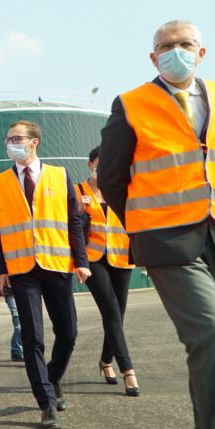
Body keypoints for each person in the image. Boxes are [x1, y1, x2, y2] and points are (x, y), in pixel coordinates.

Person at [98, 20, 215, 429]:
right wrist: (147, 223)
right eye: (165, 47)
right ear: (153, 58)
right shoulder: (131, 104)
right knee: (213, 336)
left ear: (201, 51)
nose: (175, 52)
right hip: (168, 241)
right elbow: (111, 177)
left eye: (184, 44)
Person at [0, 120, 90, 429]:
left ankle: (53, 378)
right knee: (33, 338)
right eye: (8, 139)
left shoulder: (59, 175)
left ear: (34, 142)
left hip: (57, 264)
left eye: (16, 138)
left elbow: (74, 221)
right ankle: (46, 403)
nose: (10, 143)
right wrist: (1, 270)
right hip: (21, 270)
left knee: (69, 333)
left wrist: (81, 261)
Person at [75, 147, 138, 396]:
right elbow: (72, 227)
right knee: (111, 310)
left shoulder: (124, 191)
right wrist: (79, 212)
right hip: (93, 259)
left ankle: (105, 361)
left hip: (122, 256)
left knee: (118, 315)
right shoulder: (78, 191)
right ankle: (129, 371)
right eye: (99, 165)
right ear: (90, 165)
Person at [0, 270, 23, 362]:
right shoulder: (3, 264)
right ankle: (16, 351)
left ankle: (17, 351)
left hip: (25, 293)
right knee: (19, 326)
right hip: (11, 295)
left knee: (26, 325)